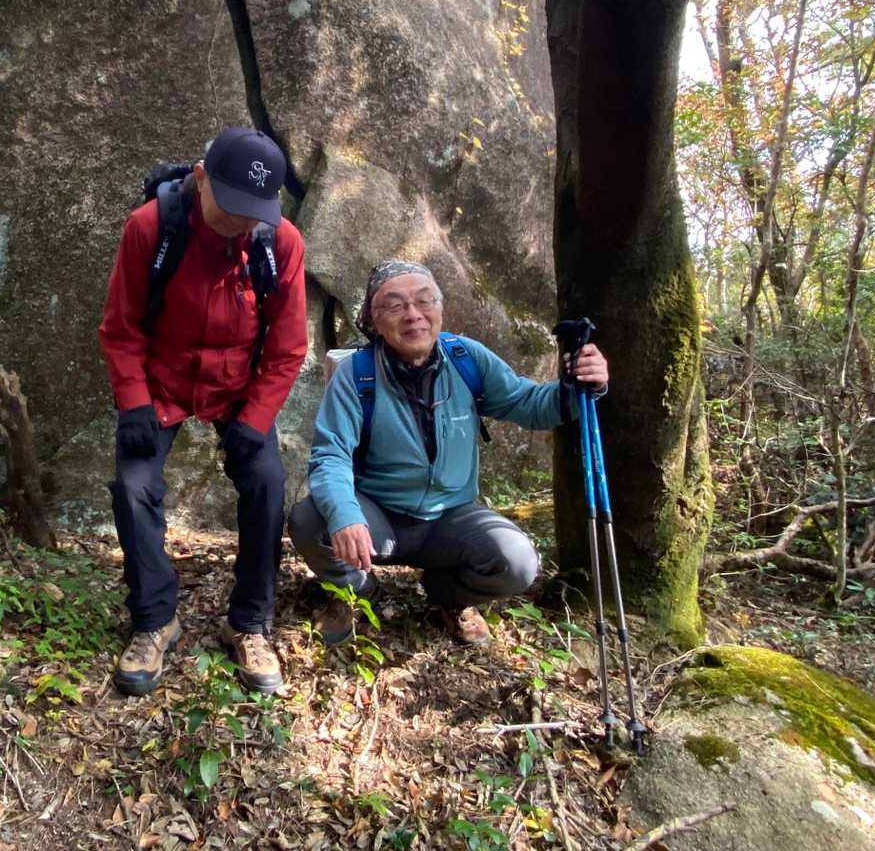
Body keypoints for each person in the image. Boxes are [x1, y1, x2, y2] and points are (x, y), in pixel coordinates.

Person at [293, 260, 608, 646]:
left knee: (517, 562)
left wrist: (579, 386)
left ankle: (448, 596)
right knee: (310, 519)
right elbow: (331, 455)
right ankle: (356, 592)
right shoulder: (357, 374)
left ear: (440, 309)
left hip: (450, 519)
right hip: (378, 517)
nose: (413, 315)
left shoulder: (465, 359)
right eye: (395, 305)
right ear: (373, 320)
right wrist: (345, 515)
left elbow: (527, 404)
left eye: (425, 301)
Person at [97, 127, 308, 695]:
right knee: (132, 486)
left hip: (237, 386)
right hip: (161, 382)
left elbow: (288, 346)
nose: (242, 222)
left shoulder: (279, 242)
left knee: (267, 482)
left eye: (254, 210)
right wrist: (134, 404)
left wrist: (255, 419)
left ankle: (250, 622)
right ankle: (153, 619)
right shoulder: (151, 228)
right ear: (200, 178)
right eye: (232, 205)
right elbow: (120, 328)